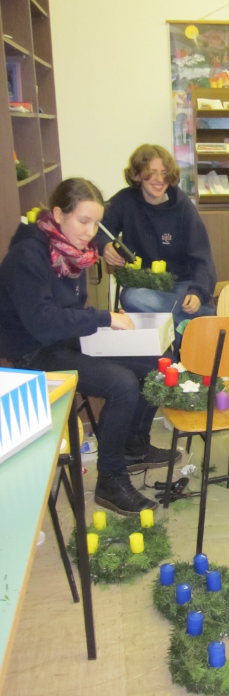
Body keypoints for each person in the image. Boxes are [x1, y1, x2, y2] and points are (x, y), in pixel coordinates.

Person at [0, 178, 180, 515]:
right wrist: (104, 318)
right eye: (83, 221)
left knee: (158, 362)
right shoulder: (28, 255)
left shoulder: (72, 252)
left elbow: (70, 313)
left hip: (65, 339)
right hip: (31, 351)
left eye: (96, 223)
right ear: (58, 214)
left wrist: (107, 322)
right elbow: (44, 323)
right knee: (122, 384)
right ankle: (111, 479)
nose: (90, 232)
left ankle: (134, 445)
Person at [95, 144, 217, 334]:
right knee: (130, 298)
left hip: (182, 284)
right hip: (143, 289)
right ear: (137, 174)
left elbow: (203, 259)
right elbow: (95, 227)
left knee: (184, 304)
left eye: (164, 173)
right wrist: (105, 246)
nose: (159, 179)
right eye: (152, 173)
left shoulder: (183, 207)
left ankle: (185, 322)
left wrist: (198, 292)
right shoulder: (124, 201)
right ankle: (200, 317)